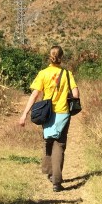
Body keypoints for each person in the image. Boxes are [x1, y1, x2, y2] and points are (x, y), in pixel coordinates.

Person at [18, 45, 79, 192]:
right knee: (60, 144)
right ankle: (56, 181)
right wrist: (67, 96)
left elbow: (34, 94)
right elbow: (76, 95)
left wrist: (24, 114)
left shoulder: (43, 73)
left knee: (48, 141)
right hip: (63, 113)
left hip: (47, 114)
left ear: (49, 56)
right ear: (61, 57)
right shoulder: (67, 74)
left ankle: (49, 171)